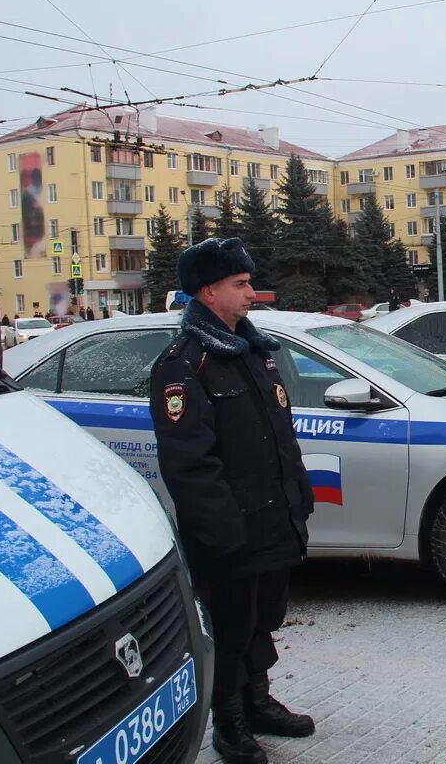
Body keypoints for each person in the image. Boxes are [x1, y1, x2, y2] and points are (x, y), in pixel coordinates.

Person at [149, 237, 316, 764]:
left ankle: (258, 699)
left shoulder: (252, 350)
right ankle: (229, 721)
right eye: (240, 285)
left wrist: (299, 499)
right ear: (207, 291)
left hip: (272, 520)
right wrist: (221, 532)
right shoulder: (185, 364)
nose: (251, 293)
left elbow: (279, 438)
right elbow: (188, 463)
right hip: (230, 531)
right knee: (230, 627)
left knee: (264, 617)